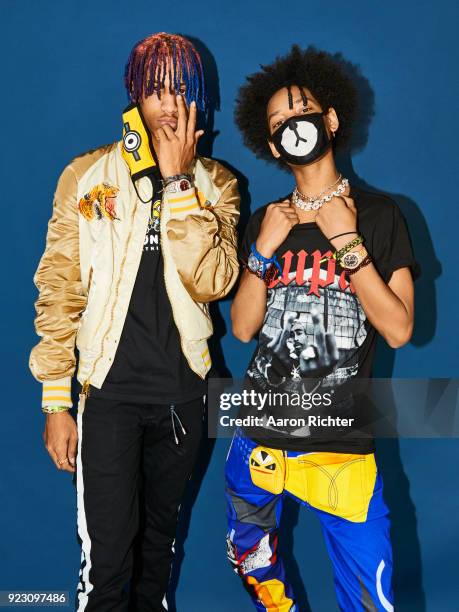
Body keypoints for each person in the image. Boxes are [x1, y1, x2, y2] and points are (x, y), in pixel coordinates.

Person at [29, 32, 240, 612]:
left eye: (181, 88)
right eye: (155, 88)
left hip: (181, 400)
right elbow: (59, 289)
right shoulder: (87, 175)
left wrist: (178, 183)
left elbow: (214, 281)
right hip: (108, 400)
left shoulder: (217, 184)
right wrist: (55, 401)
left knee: (157, 565)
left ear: (199, 96)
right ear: (134, 97)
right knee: (106, 570)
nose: (169, 102)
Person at [226, 45, 419, 611]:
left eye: (301, 111)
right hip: (257, 440)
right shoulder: (266, 220)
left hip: (340, 446)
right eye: (278, 122)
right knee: (265, 588)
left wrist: (347, 242)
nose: (293, 125)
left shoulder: (380, 214)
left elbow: (400, 329)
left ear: (330, 120)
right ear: (269, 142)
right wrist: (261, 252)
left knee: (369, 600)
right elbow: (241, 329)